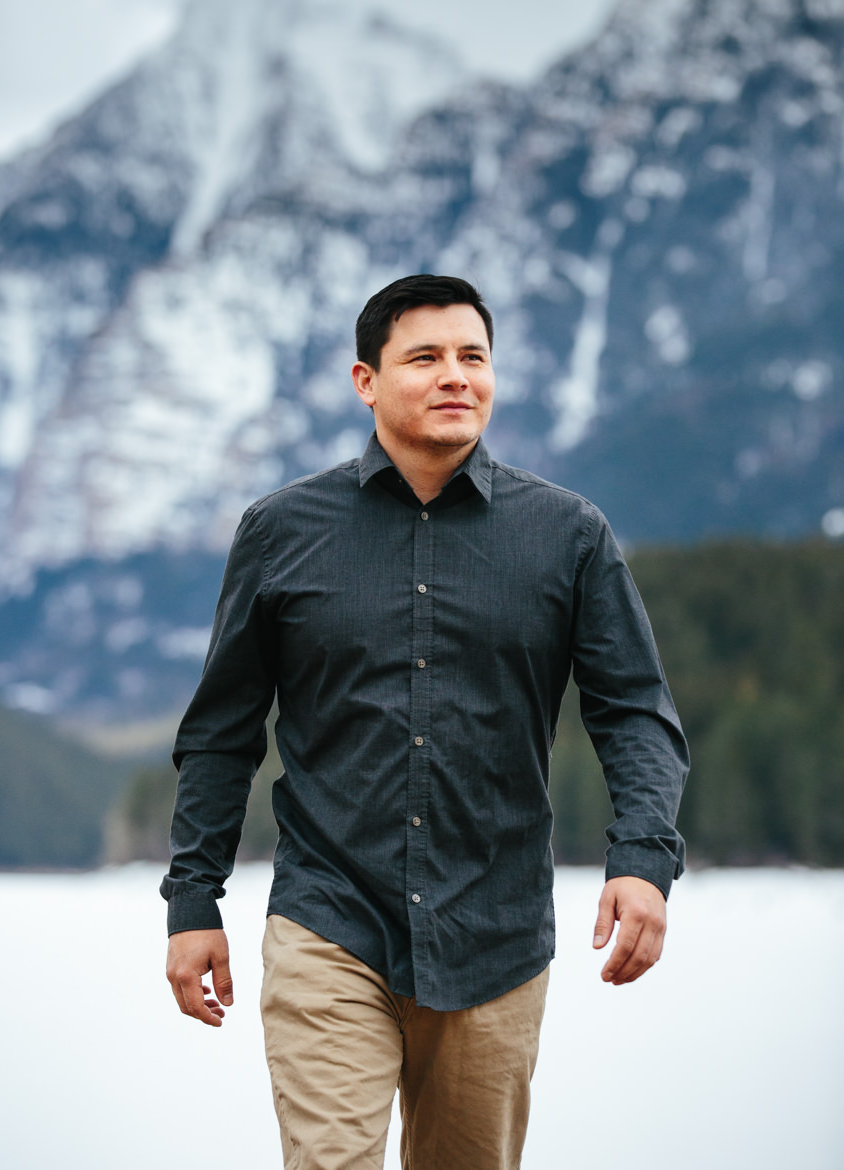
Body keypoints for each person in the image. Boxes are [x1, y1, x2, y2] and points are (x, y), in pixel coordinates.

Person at [162, 274, 689, 1170]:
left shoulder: (568, 536)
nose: (456, 377)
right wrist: (191, 899)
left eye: (472, 358)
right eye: (425, 358)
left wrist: (644, 858)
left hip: (496, 931)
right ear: (365, 380)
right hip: (328, 919)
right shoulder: (281, 530)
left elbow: (635, 712)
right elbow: (222, 728)